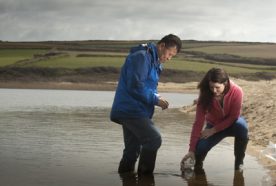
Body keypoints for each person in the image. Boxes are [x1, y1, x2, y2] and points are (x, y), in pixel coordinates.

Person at [110, 34, 182, 175]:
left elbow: (146, 86)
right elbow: (135, 85)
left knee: (132, 151)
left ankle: (125, 178)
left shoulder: (154, 62)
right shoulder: (142, 57)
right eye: (169, 54)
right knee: (154, 139)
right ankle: (146, 179)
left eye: (173, 56)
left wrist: (156, 96)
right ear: (161, 46)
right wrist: (155, 100)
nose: (169, 58)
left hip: (136, 110)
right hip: (130, 110)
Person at [181, 68, 249, 171]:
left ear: (225, 83)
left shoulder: (237, 91)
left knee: (242, 127)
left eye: (217, 87)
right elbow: (198, 122)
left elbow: (233, 116)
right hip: (213, 124)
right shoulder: (205, 93)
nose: (214, 90)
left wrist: (213, 130)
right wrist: (191, 150)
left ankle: (239, 163)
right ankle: (198, 167)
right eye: (211, 87)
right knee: (200, 148)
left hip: (232, 124)